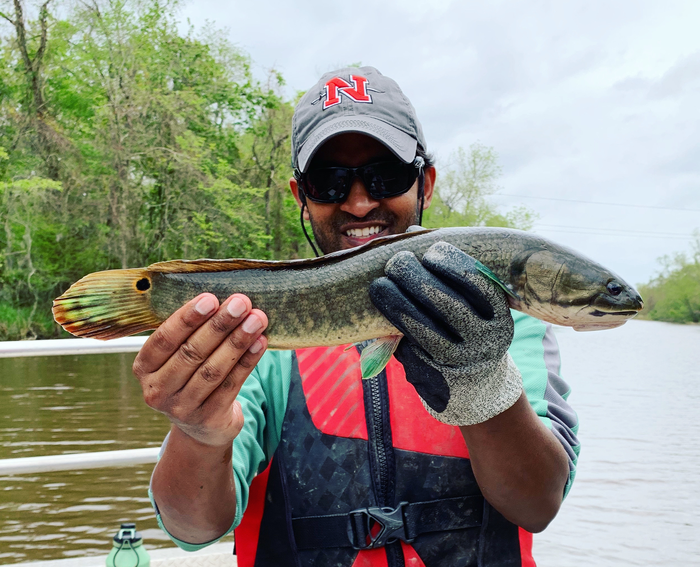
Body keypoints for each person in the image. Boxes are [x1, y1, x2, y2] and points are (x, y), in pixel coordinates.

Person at [135, 66, 579, 567]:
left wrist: (483, 382)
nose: (361, 201)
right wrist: (197, 432)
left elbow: (537, 505)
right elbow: (192, 528)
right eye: (329, 182)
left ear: (424, 183)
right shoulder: (257, 335)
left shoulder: (507, 322)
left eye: (385, 175)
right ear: (301, 196)